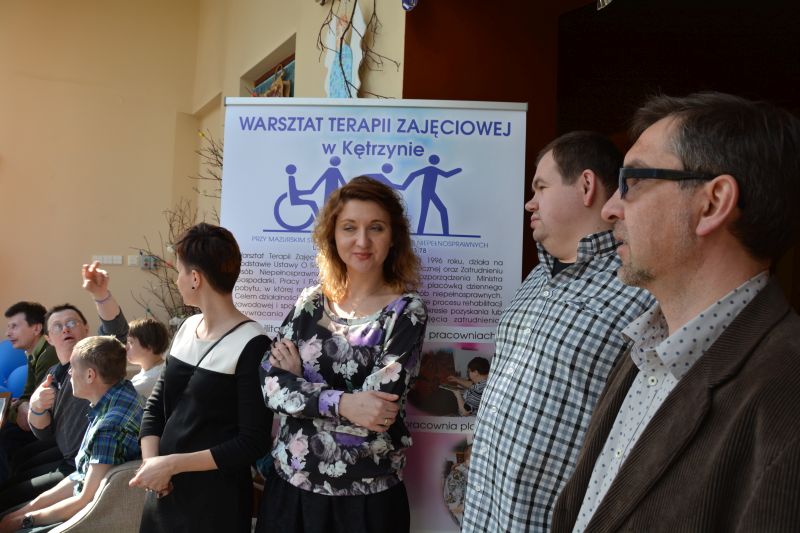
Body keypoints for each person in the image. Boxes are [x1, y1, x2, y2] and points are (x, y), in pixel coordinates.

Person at [551, 92, 800, 531]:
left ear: (712, 202)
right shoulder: (646, 345)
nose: (610, 208)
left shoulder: (785, 398)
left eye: (633, 181)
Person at [462, 132, 655, 533]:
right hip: (486, 517)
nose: (529, 203)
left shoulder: (640, 288)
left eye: (541, 187)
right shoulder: (537, 277)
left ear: (586, 186)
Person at [256, 176, 428, 533]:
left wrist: (299, 384)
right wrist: (347, 403)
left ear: (393, 237)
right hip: (291, 492)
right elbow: (270, 385)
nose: (362, 241)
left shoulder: (406, 312)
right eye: (349, 227)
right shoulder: (310, 302)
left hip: (366, 501)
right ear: (332, 236)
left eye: (376, 228)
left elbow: (377, 410)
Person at [130, 223, 272, 533]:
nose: (177, 280)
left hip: (215, 503)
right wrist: (152, 465)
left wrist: (171, 464)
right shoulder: (185, 328)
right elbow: (156, 406)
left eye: (179, 271)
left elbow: (253, 441)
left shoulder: (253, 343)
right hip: (163, 491)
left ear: (195, 278)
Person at [0, 279, 128, 512]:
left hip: (82, 465)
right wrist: (37, 408)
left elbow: (117, 332)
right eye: (57, 326)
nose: (66, 329)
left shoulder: (98, 360)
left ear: (86, 328)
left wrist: (101, 295)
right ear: (48, 338)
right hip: (66, 453)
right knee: (16, 465)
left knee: (8, 497)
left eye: (71, 323)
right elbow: (44, 432)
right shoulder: (53, 372)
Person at [0, 336, 141, 532]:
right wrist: (27, 510)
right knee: (8, 515)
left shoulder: (108, 428)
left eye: (73, 367)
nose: (69, 373)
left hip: (92, 516)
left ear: (90, 375)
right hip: (83, 499)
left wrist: (25, 520)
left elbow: (85, 499)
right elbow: (80, 476)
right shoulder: (121, 393)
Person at [0, 303, 59, 482]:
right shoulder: (34, 353)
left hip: (50, 428)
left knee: (5, 436)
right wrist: (19, 406)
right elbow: (27, 396)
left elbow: (30, 413)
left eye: (14, 326)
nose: (8, 333)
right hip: (36, 420)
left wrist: (13, 409)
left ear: (36, 328)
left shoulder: (49, 355)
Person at [125, 318, 169, 403]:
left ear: (149, 345)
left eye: (131, 342)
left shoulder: (151, 380)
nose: (126, 347)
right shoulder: (154, 370)